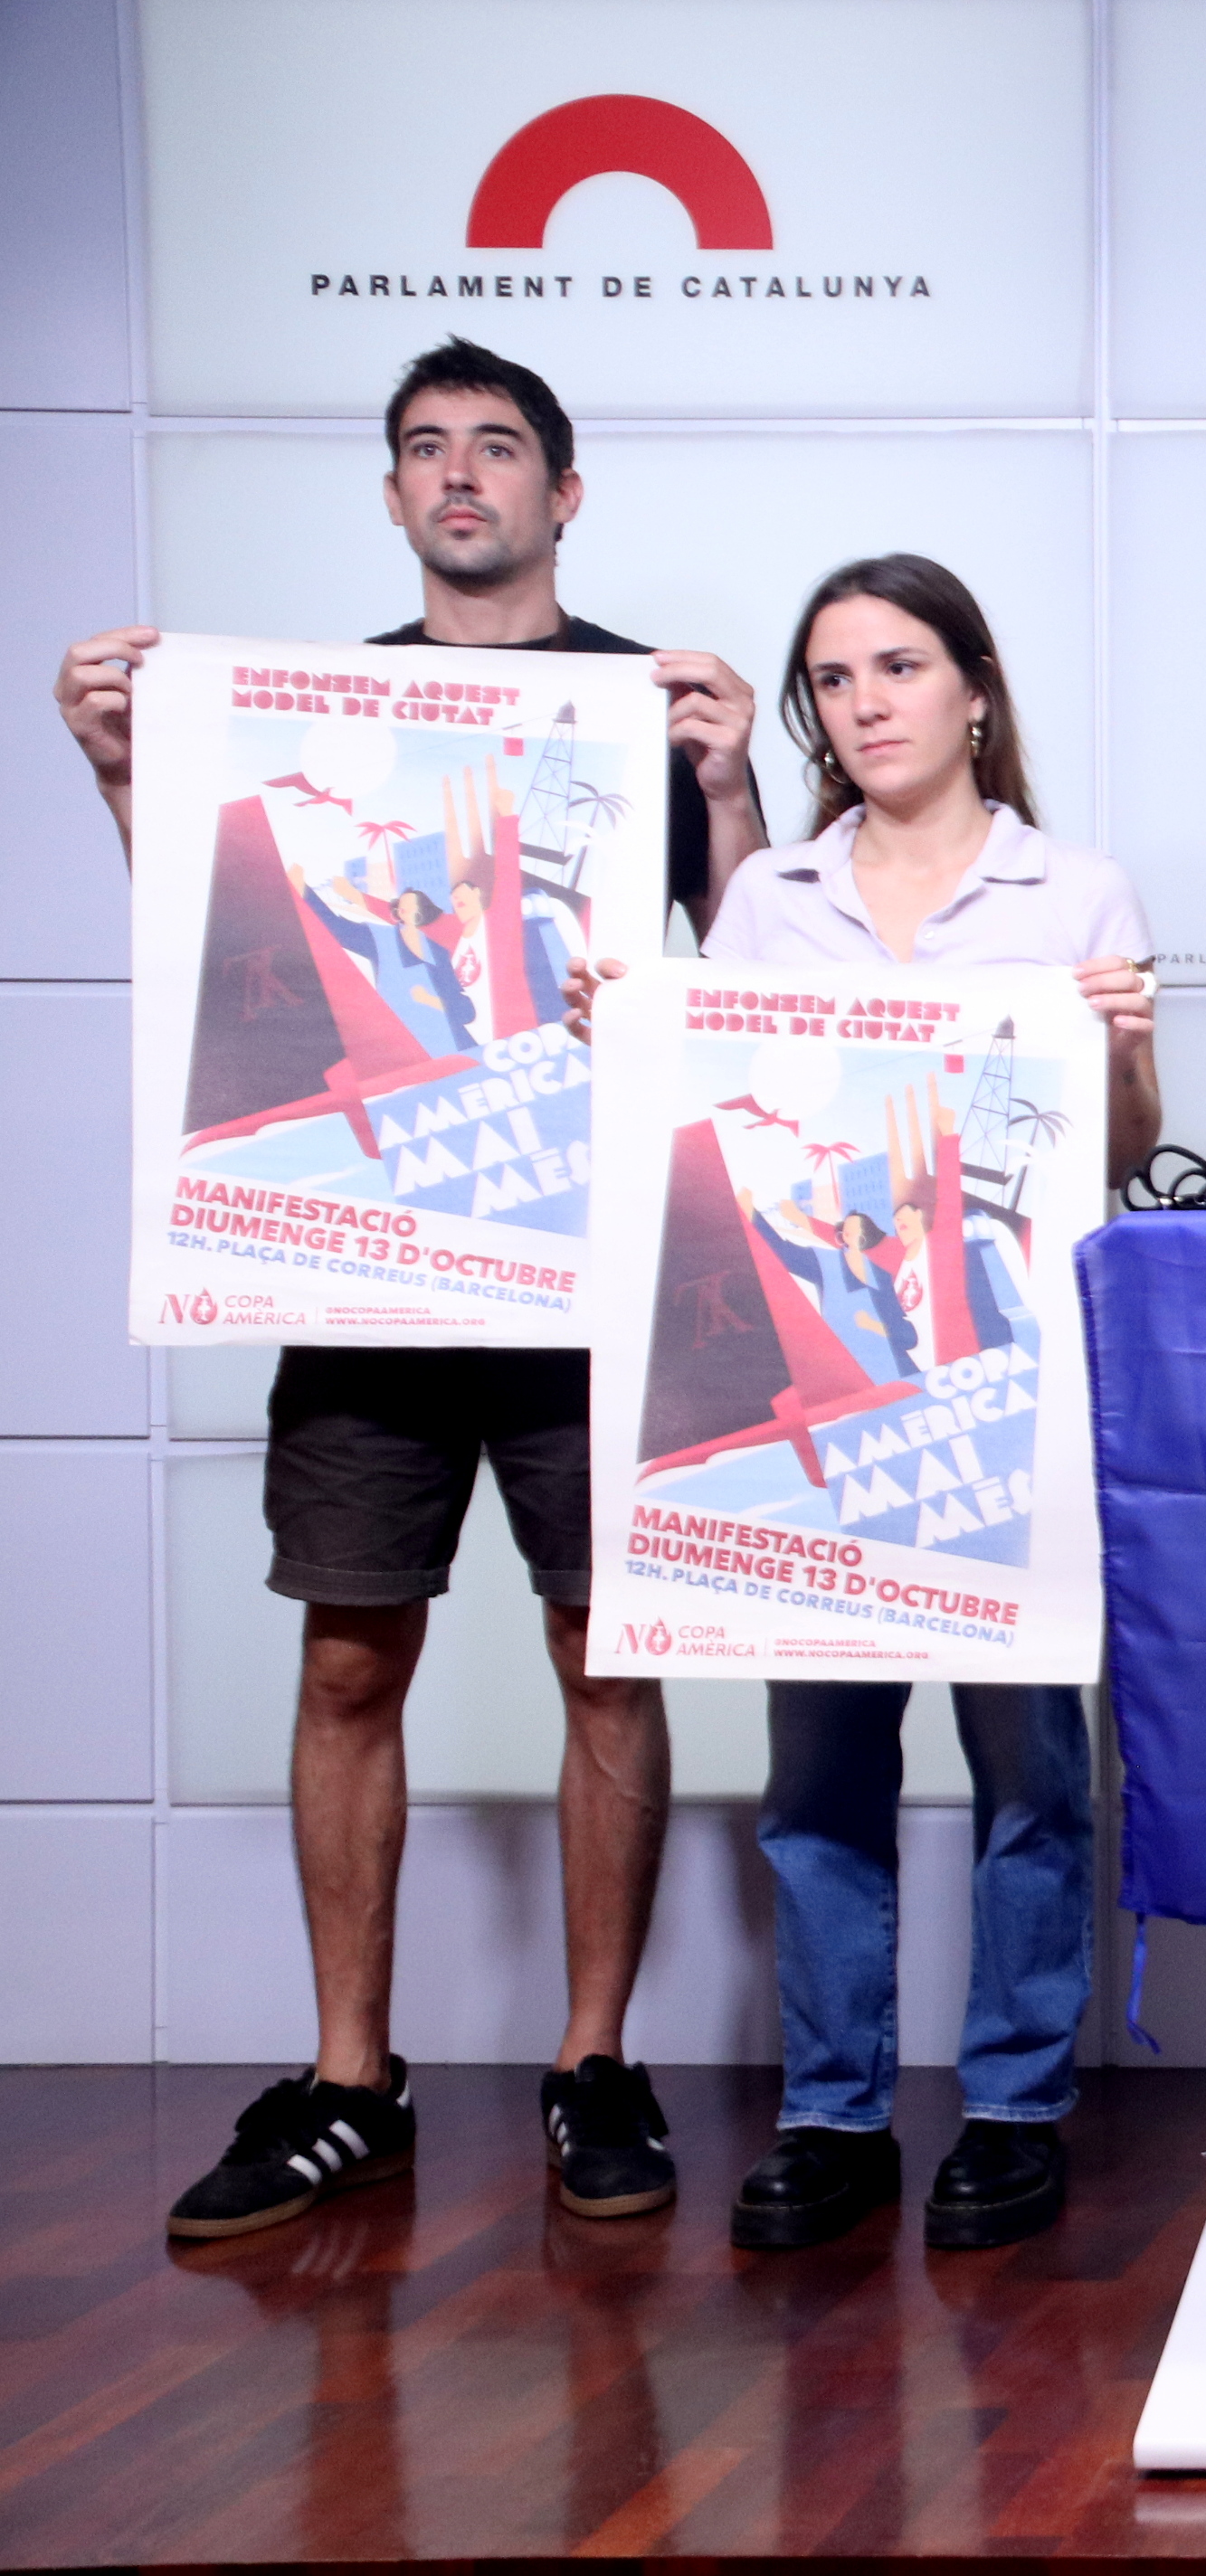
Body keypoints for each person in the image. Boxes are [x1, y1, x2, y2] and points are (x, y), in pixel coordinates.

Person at [53, 336, 766, 2242]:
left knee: (604, 1652)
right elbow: (231, 957)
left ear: (564, 487)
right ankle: (352, 2077)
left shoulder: (642, 709)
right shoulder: (308, 706)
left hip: (588, 1264)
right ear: (392, 496)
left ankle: (592, 2057)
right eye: (428, 451)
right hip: (363, 1258)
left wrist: (740, 783)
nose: (463, 477)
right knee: (349, 1657)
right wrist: (129, 771)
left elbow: (757, 973)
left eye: (500, 447)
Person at [575, 554, 1158, 2249]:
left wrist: (1117, 1049)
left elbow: (1122, 1156)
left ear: (975, 686)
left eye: (900, 667)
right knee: (820, 1774)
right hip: (814, 1390)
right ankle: (831, 2110)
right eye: (834, 680)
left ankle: (1012, 2101)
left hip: (1015, 1393)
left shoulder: (1074, 889)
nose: (868, 704)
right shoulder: (773, 899)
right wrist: (634, 1034)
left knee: (1029, 1769)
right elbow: (722, 1133)